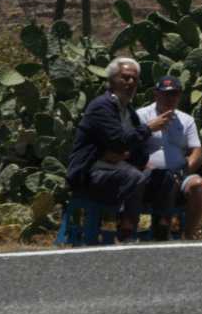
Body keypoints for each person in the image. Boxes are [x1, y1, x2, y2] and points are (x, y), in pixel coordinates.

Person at [66, 57, 173, 241]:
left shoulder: (128, 111)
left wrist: (139, 160)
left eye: (134, 79)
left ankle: (161, 231)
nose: (130, 82)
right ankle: (127, 232)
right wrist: (149, 128)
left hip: (118, 171)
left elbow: (135, 148)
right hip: (91, 175)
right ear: (111, 80)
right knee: (133, 177)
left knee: (163, 176)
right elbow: (118, 141)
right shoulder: (102, 106)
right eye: (125, 77)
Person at [136, 76, 202, 240]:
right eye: (165, 94)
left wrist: (183, 172)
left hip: (179, 175)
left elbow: (196, 150)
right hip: (148, 176)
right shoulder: (141, 116)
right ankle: (158, 230)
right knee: (165, 180)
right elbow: (133, 146)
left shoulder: (187, 120)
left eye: (174, 94)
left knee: (200, 185)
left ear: (179, 96)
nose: (170, 98)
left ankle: (188, 237)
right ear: (156, 94)